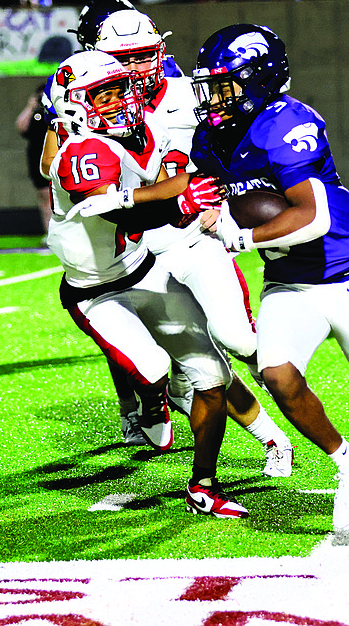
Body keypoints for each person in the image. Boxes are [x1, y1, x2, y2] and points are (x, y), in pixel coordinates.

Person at [190, 23, 349, 534]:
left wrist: (240, 236)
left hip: (346, 274)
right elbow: (193, 182)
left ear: (260, 78)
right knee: (276, 374)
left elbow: (313, 218)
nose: (216, 97)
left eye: (226, 84)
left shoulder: (287, 122)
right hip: (289, 281)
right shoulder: (214, 136)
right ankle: (348, 459)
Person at [82, 9, 295, 477]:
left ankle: (298, 412)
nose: (135, 67)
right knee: (198, 365)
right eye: (123, 58)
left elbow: (238, 145)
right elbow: (66, 175)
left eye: (143, 55)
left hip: (194, 238)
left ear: (161, 49)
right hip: (135, 254)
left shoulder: (191, 94)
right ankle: (271, 439)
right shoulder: (86, 108)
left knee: (238, 338)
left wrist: (225, 189)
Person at [44, 49, 248, 518]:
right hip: (94, 292)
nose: (118, 101)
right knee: (154, 365)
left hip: (143, 269)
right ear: (74, 103)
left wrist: (195, 182)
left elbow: (168, 179)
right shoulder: (79, 150)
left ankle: (203, 486)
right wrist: (179, 203)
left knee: (212, 374)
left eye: (120, 90)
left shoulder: (135, 132)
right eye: (103, 93)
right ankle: (153, 400)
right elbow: (112, 207)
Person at [15, 83, 52, 238]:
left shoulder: (55, 115)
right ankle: (50, 234)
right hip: (37, 161)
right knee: (44, 198)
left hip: (55, 161)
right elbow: (20, 127)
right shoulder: (35, 115)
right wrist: (31, 106)